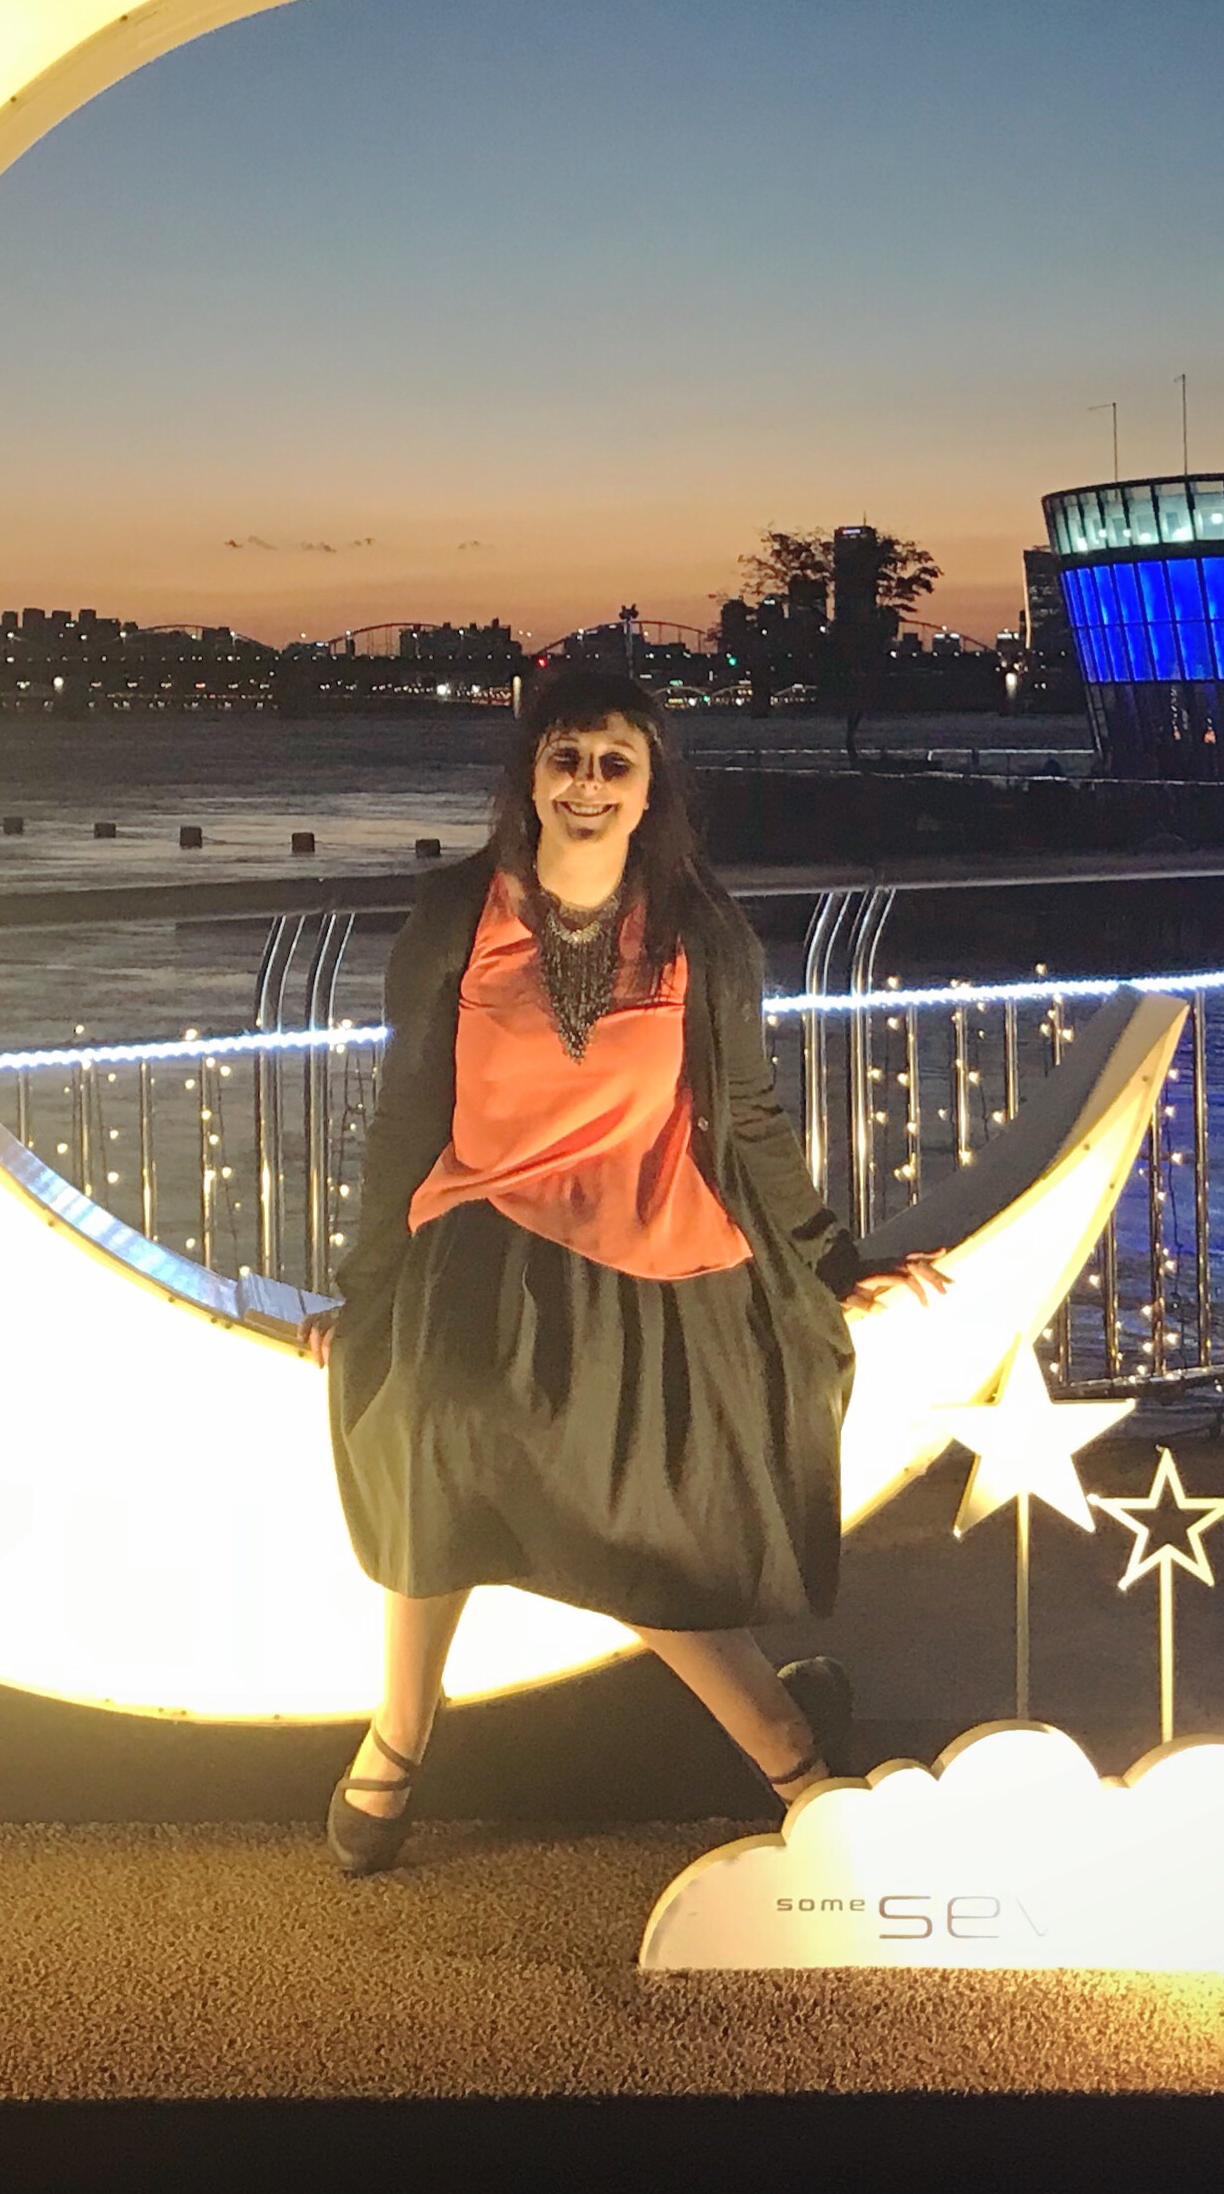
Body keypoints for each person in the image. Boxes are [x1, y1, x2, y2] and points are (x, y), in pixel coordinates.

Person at [300, 666, 947, 1873]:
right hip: (483, 1228)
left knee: (624, 1511)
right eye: (566, 758)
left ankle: (785, 1748)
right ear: (529, 777)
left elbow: (747, 1112)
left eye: (615, 765)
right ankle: (402, 1729)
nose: (588, 785)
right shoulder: (457, 914)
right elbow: (407, 1108)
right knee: (439, 1423)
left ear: (651, 792)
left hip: (652, 1243)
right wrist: (367, 1284)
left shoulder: (699, 930)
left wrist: (831, 1259)